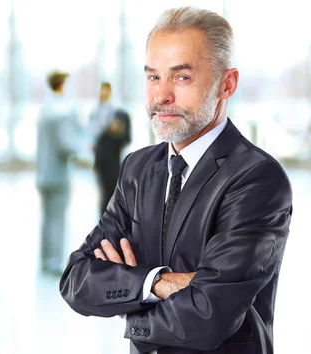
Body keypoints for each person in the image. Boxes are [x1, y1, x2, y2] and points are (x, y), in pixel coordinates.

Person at [59, 7, 292, 354]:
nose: (161, 96)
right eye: (154, 77)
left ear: (226, 84)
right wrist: (160, 282)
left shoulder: (256, 178)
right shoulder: (137, 168)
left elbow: (209, 316)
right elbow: (76, 280)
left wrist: (130, 305)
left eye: (182, 77)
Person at [37, 71, 82, 275]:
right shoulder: (63, 110)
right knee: (57, 219)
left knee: (47, 219)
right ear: (62, 84)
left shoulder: (45, 109)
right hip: (58, 173)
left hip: (43, 172)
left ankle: (46, 260)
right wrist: (84, 147)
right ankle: (54, 261)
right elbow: (67, 144)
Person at [90, 82, 131, 216]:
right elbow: (91, 137)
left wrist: (117, 131)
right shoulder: (95, 112)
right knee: (104, 193)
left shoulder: (119, 113)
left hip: (113, 160)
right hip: (100, 160)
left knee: (112, 194)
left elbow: (126, 138)